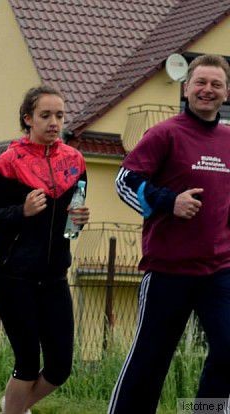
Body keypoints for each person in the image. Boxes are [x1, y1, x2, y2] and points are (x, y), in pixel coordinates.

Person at [109, 54, 230, 413]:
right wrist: (169, 201)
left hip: (219, 270)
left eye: (216, 84)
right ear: (186, 87)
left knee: (228, 350)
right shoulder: (165, 133)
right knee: (150, 360)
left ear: (226, 93)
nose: (207, 90)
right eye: (200, 82)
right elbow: (124, 181)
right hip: (168, 270)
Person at [0, 85, 89, 414]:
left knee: (60, 368)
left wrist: (79, 220)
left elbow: (73, 219)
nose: (54, 122)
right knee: (26, 362)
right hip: (14, 274)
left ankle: (12, 407)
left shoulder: (75, 161)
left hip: (54, 275)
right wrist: (20, 211)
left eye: (60, 116)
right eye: (45, 115)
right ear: (28, 119)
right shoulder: (10, 161)